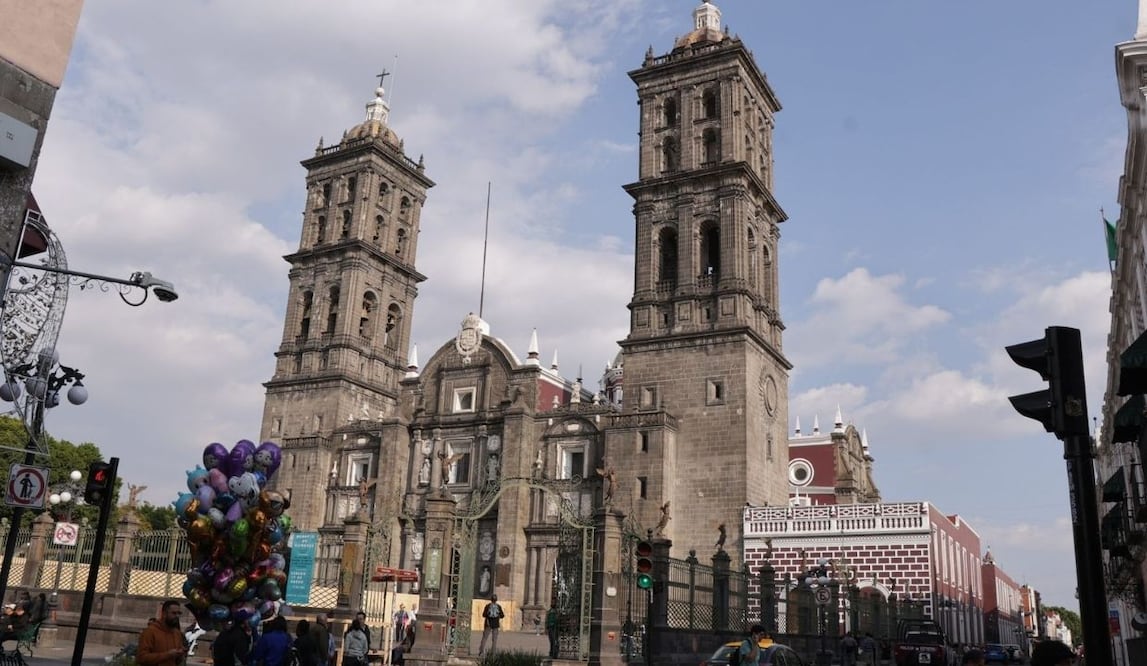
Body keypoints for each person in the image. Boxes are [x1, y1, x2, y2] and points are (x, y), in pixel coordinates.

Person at [135, 600, 188, 666]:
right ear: (164, 614)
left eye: (179, 613)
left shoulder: (177, 633)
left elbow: (177, 661)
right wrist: (167, 654)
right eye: (174, 613)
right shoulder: (150, 632)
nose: (177, 616)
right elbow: (141, 658)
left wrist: (180, 654)